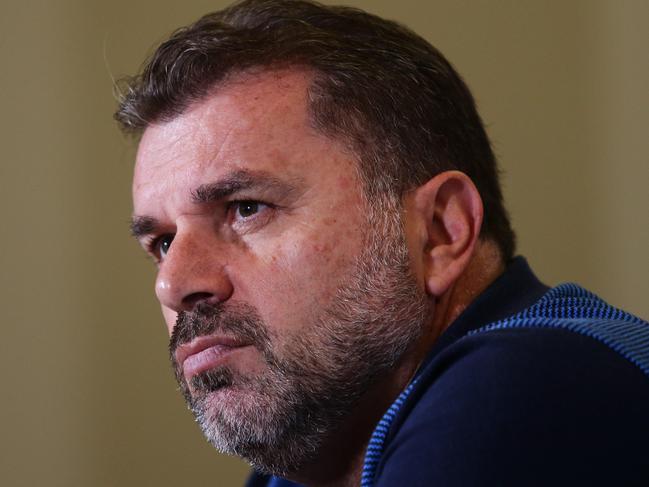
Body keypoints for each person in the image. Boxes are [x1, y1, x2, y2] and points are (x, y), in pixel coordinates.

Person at [116, 1, 649, 485]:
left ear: (441, 231)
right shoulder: (306, 463)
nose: (174, 283)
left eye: (246, 209)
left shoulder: (528, 391)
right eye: (162, 242)